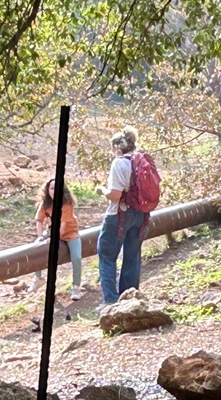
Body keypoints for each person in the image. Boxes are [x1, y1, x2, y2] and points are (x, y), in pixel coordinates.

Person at [96, 126, 148, 305]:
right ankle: (130, 299)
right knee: (132, 256)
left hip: (119, 214)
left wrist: (102, 190)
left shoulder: (119, 163)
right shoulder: (141, 160)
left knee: (107, 255)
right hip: (141, 214)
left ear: (117, 147)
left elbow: (115, 195)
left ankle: (111, 301)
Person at [31, 177, 85, 300]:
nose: (54, 191)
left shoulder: (67, 204)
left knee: (76, 257)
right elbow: (39, 221)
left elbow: (63, 226)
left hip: (70, 233)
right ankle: (38, 278)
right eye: (52, 188)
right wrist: (41, 236)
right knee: (37, 247)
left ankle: (76, 287)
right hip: (51, 232)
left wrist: (53, 240)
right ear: (47, 190)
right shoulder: (45, 204)